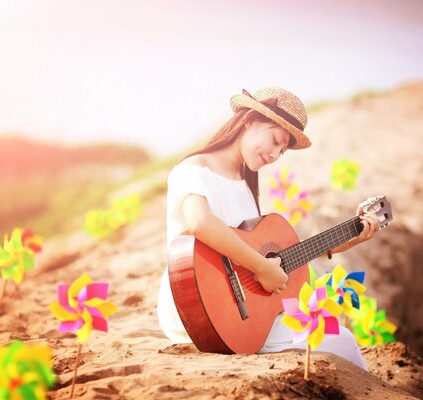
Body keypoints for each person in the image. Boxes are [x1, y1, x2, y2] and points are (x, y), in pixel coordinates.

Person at [156, 87, 379, 370]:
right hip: (196, 308)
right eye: (275, 140)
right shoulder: (194, 169)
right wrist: (261, 267)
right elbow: (199, 223)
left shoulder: (246, 182)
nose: (275, 154)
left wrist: (349, 238)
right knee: (342, 339)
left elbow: (274, 254)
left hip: (240, 309)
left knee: (333, 331)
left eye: (283, 151)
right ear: (249, 119)